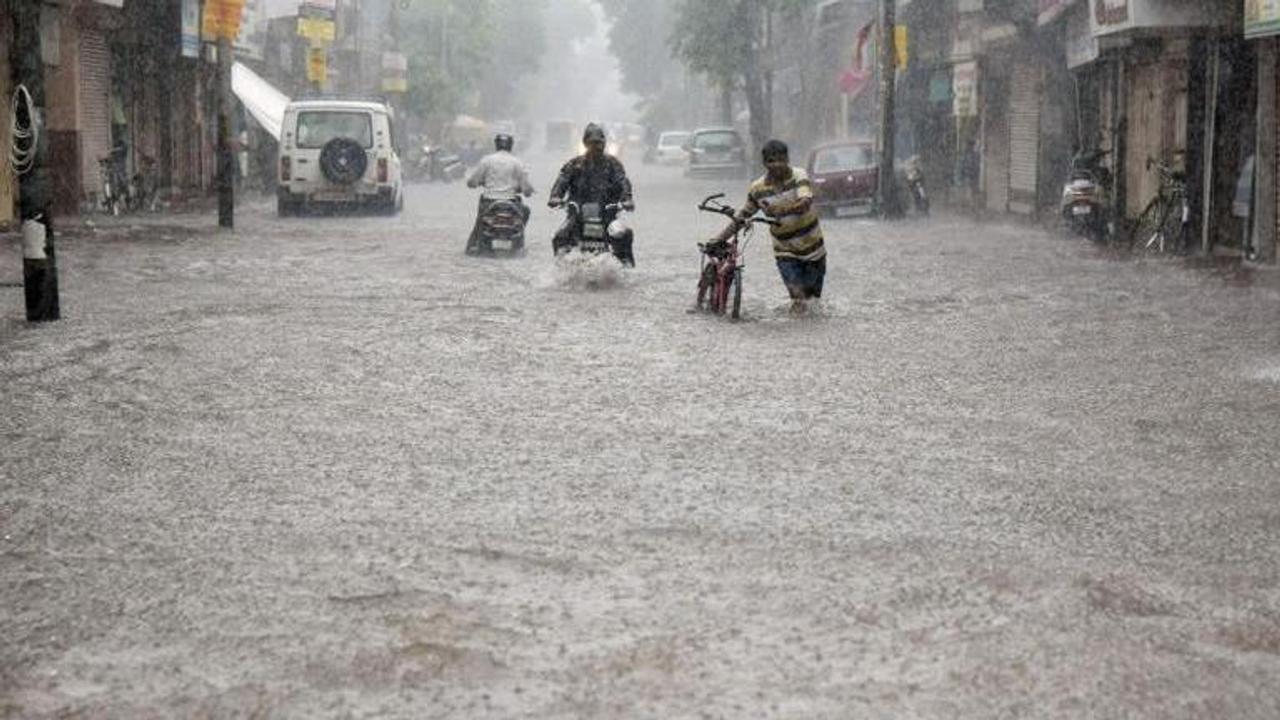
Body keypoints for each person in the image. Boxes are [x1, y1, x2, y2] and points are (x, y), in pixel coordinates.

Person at [706, 139, 826, 314]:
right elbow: (743, 216)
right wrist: (720, 238)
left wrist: (781, 210)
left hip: (814, 250)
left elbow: (805, 202)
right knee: (798, 299)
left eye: (780, 160)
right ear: (764, 163)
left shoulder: (799, 176)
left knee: (813, 301)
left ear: (787, 159)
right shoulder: (757, 189)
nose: (776, 165)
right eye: (771, 161)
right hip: (785, 252)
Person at [548, 123, 636, 266]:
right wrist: (555, 197)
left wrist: (627, 199)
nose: (596, 147)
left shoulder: (613, 164)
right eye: (592, 143)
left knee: (623, 235)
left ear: (604, 143)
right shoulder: (574, 164)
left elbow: (623, 181)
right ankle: (560, 269)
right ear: (585, 143)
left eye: (599, 143)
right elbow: (562, 181)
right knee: (559, 237)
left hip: (607, 216)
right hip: (577, 216)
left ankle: (627, 267)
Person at [465, 133, 535, 254]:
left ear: (496, 145)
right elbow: (527, 189)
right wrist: (526, 191)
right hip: (511, 202)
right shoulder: (517, 162)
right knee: (526, 211)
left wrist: (479, 183)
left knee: (479, 223)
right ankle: (518, 244)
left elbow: (471, 182)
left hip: (488, 201)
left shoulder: (486, 160)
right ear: (511, 146)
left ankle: (472, 246)